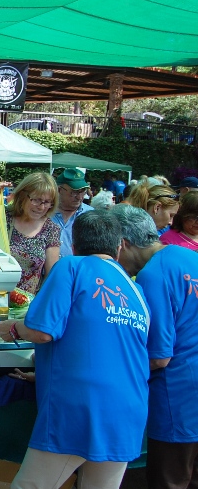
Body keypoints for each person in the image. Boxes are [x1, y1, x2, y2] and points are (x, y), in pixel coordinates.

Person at [0, 210, 149, 489]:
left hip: (80, 407)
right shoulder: (134, 288)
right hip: (128, 410)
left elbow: (42, 331)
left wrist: (13, 328)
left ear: (74, 246)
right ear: (118, 247)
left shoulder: (71, 267)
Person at [112, 204, 198, 489]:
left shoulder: (153, 275)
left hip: (178, 395)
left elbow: (159, 357)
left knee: (170, 479)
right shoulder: (189, 257)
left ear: (123, 244)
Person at [6, 172, 61, 294]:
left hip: (25, 307)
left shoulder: (51, 229)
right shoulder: (3, 217)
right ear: (22, 196)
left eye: (47, 202)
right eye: (37, 200)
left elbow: (51, 276)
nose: (41, 207)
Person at [51, 168, 93, 257]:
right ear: (59, 190)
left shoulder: (91, 215)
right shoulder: (45, 212)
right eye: (74, 192)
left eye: (83, 192)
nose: (79, 197)